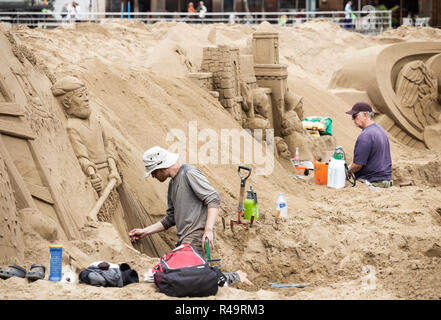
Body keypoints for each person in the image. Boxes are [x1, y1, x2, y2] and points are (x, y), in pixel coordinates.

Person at [129, 146, 220, 257]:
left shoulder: (189, 173)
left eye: (153, 172)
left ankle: (236, 275)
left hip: (197, 237)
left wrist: (208, 230)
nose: (152, 176)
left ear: (162, 167)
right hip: (186, 240)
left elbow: (213, 198)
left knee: (184, 272)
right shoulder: (172, 184)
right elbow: (170, 219)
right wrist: (145, 231)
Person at [346, 102, 393, 188]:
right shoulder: (380, 130)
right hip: (386, 180)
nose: (352, 119)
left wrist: (346, 172)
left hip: (373, 181)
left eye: (354, 116)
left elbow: (357, 165)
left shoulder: (365, 135)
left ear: (365, 115)